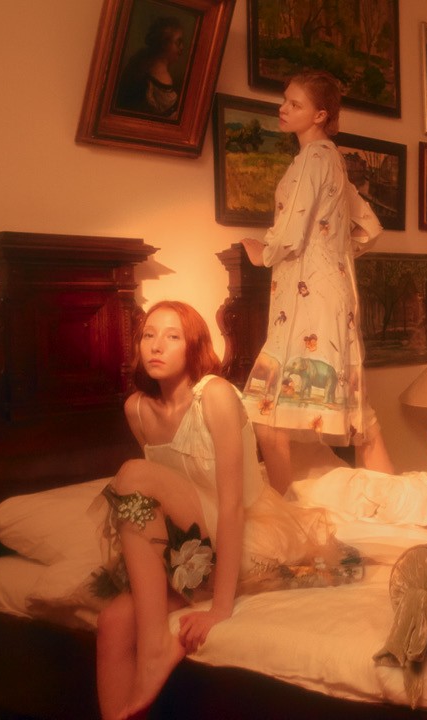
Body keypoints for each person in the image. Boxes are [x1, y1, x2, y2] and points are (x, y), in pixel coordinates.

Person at [94, 301, 361, 720]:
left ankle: (155, 648)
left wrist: (220, 608)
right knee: (112, 621)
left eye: (172, 336)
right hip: (191, 547)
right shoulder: (137, 410)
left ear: (193, 346)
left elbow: (232, 505)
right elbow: (154, 507)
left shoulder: (214, 395)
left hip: (245, 535)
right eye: (148, 335)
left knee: (132, 473)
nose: (156, 346)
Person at [240, 69, 393, 495]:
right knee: (361, 419)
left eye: (295, 104)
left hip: (308, 300)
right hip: (331, 293)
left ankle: (285, 515)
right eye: (285, 100)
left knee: (265, 413)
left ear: (320, 115)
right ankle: (397, 504)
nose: (283, 109)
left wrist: (263, 253)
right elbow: (371, 228)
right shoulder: (334, 160)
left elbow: (291, 229)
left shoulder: (312, 158)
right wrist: (330, 250)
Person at [115, 16, 186, 118]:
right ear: (164, 44)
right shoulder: (160, 76)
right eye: (178, 42)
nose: (182, 47)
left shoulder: (143, 59)